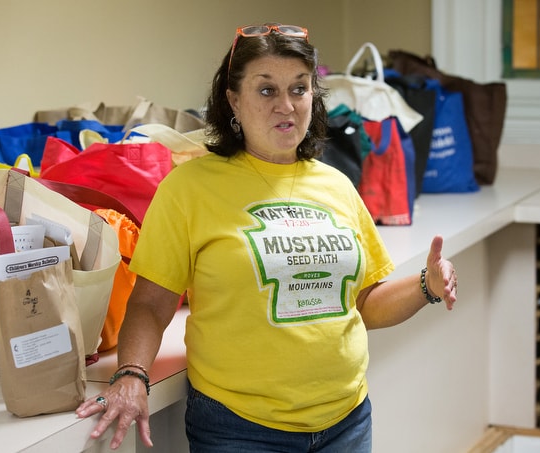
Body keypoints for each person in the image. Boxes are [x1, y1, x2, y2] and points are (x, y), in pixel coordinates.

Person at [75, 23, 458, 452]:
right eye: (266, 90)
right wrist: (131, 374)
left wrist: (427, 285)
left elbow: (365, 301)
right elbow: (149, 303)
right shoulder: (189, 187)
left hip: (347, 419)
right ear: (233, 100)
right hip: (239, 428)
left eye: (299, 89)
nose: (287, 106)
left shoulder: (336, 185)